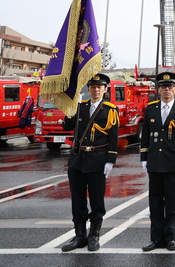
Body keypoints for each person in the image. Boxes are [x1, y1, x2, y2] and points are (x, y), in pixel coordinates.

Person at [61, 73, 119, 252]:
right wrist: (71, 106)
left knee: (96, 199)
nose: (96, 90)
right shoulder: (80, 106)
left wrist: (110, 160)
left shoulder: (110, 110)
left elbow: (113, 138)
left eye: (99, 87)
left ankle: (94, 235)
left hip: (97, 159)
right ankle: (80, 235)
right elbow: (66, 126)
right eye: (93, 87)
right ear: (88, 89)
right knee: (77, 199)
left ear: (105, 90)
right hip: (78, 160)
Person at [141, 72, 175, 252]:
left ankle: (170, 237)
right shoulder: (151, 108)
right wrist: (144, 157)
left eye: (170, 87)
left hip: (173, 161)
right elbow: (145, 135)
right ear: (158, 89)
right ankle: (156, 239)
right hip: (155, 161)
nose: (167, 90)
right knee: (155, 202)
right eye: (163, 87)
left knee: (171, 202)